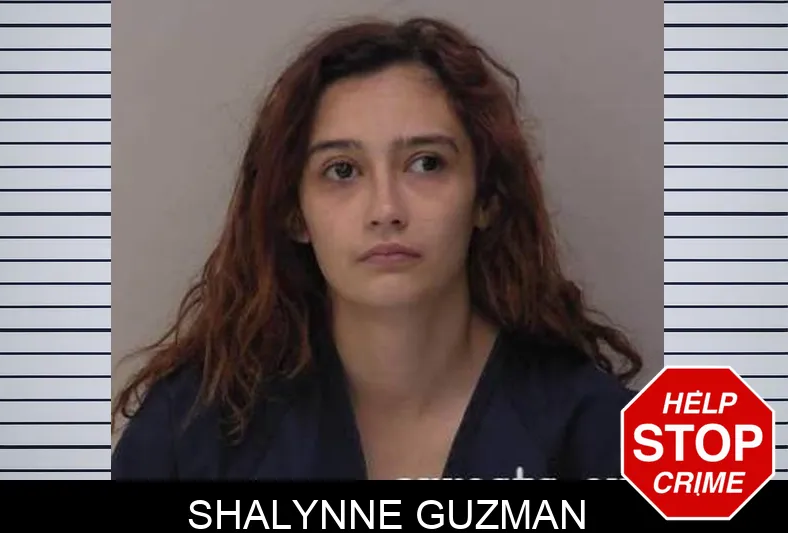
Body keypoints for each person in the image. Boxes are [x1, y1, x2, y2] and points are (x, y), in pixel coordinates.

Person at [111, 16, 643, 480]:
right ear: (294, 212)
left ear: (486, 198)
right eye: (342, 170)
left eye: (426, 163)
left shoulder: (601, 435)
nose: (386, 209)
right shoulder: (192, 432)